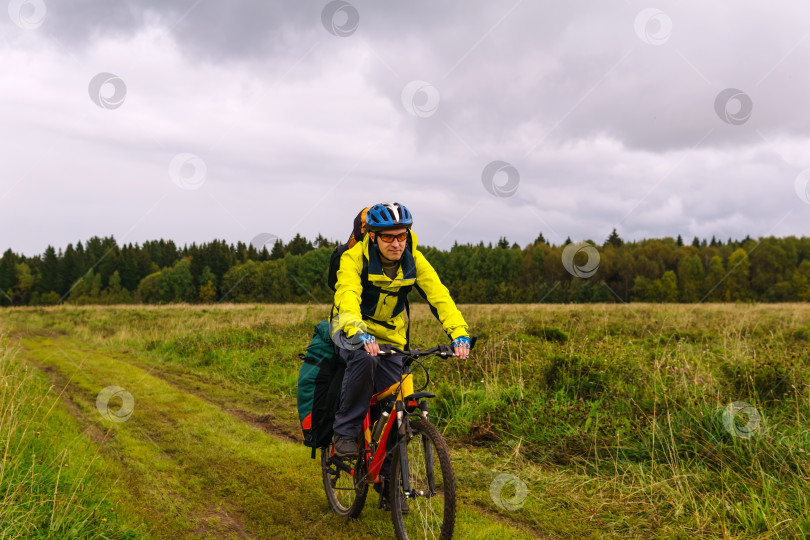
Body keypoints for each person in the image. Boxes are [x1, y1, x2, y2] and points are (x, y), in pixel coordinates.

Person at [330, 202, 471, 466]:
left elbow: (439, 296)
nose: (396, 244)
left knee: (398, 398)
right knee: (366, 359)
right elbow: (347, 296)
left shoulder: (414, 259)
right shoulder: (354, 259)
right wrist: (358, 332)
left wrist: (459, 333)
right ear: (372, 236)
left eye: (402, 236)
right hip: (350, 330)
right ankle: (345, 433)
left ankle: (389, 476)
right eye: (387, 237)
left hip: (391, 337)